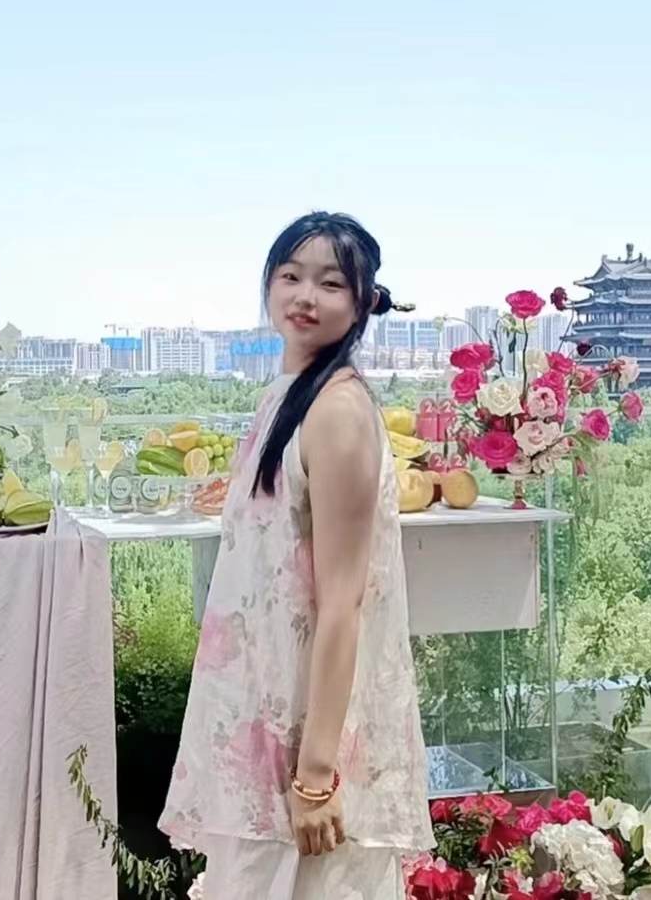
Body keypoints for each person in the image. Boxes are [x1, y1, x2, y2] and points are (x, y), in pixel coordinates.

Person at [159, 212, 434, 899]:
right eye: (290, 276)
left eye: (330, 283)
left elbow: (344, 602)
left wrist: (315, 777)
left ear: (364, 302)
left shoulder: (337, 411)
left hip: (307, 749)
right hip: (264, 724)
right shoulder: (284, 397)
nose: (305, 296)